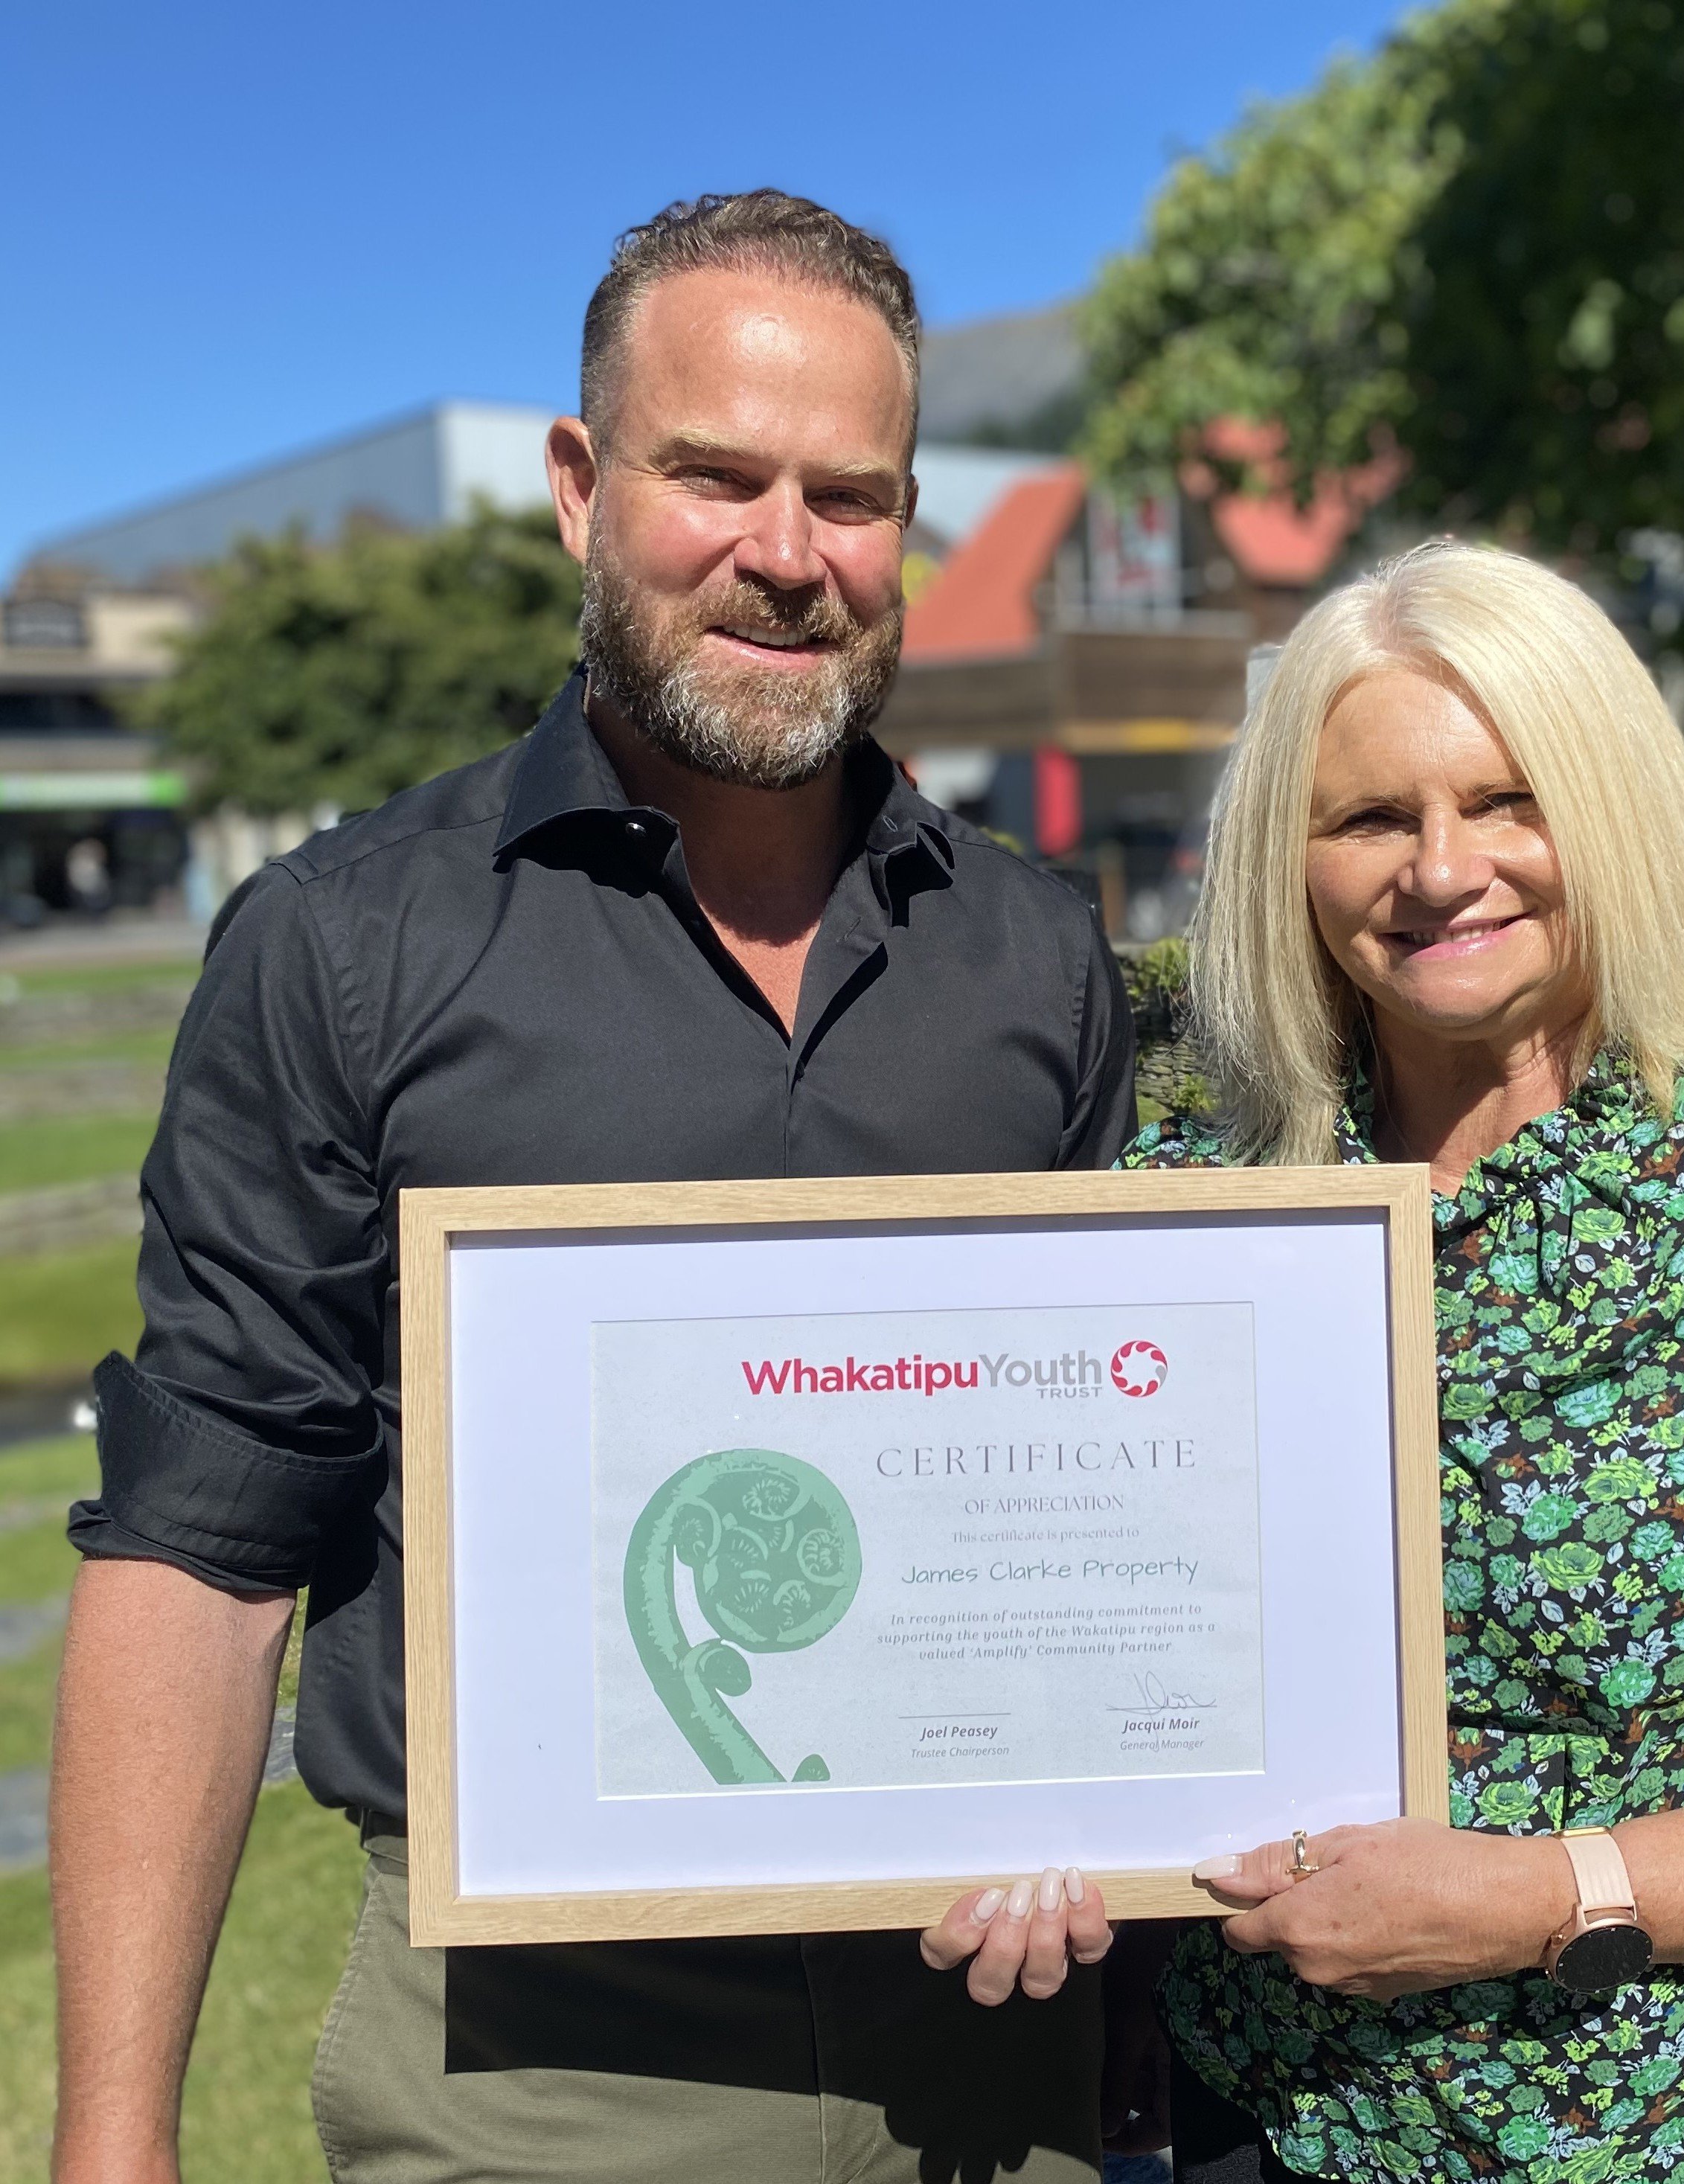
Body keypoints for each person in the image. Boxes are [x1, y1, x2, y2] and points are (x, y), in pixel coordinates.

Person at [50, 190, 1136, 2184]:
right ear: (577, 485)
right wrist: (117, 2140)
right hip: (534, 2052)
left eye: (851, 494)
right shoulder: (346, 948)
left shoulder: (1038, 960)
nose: (786, 557)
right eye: (711, 476)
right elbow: (201, 1552)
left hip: (989, 2056)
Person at [945, 539, 1684, 2183]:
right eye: (1372, 817)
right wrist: (1024, 1823)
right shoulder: (1189, 1223)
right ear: (1287, 862)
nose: (1443, 870)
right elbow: (1076, 1661)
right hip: (1287, 2133)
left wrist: (1539, 1895)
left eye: (1511, 800)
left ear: (1619, 811)